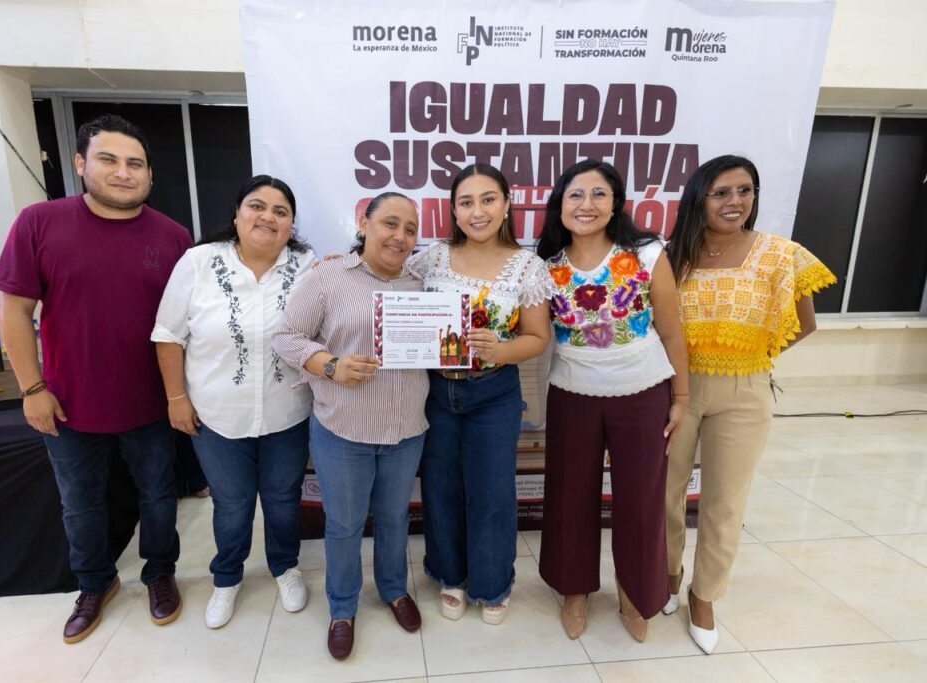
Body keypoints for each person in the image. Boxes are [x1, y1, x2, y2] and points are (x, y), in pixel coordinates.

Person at [0, 114, 191, 643]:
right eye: (108, 160)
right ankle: (94, 583)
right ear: (81, 164)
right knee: (80, 503)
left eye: (135, 163)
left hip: (150, 403)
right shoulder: (39, 222)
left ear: (149, 173)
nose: (122, 173)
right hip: (68, 403)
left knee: (158, 497)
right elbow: (14, 312)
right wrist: (32, 389)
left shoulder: (174, 238)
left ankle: (159, 574)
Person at [663, 155, 836, 654]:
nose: (734, 201)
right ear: (699, 197)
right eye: (720, 192)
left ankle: (704, 596)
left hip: (744, 393)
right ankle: (667, 578)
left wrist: (751, 354)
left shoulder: (779, 254)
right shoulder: (673, 255)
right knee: (664, 493)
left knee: (723, 502)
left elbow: (805, 323)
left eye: (744, 190)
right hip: (676, 390)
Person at [151, 175, 317, 629]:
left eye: (281, 211)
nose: (268, 217)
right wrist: (175, 399)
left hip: (289, 411)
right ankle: (227, 577)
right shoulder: (199, 262)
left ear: (291, 224)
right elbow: (168, 335)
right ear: (236, 215)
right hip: (217, 416)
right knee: (232, 502)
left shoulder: (308, 266)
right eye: (257, 206)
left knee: (283, 499)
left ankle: (285, 567)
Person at [535, 160, 689, 641]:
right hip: (572, 393)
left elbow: (670, 327)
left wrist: (680, 394)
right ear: (560, 204)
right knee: (569, 493)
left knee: (642, 499)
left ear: (615, 202)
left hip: (643, 393)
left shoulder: (645, 253)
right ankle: (574, 590)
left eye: (598, 194)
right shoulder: (544, 265)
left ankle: (635, 592)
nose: (587, 204)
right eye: (576, 195)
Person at [272, 192, 428, 660]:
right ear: (364, 222)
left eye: (411, 229)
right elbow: (285, 335)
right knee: (343, 523)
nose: (400, 237)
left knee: (396, 516)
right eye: (390, 224)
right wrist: (329, 364)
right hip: (344, 429)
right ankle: (343, 607)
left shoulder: (422, 284)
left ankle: (394, 589)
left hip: (406, 428)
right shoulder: (329, 277)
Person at [410, 163, 552, 625]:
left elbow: (537, 336)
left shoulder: (526, 266)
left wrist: (504, 348)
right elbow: (385, 283)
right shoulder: (431, 258)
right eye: (466, 202)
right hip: (435, 392)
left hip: (493, 394)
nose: (477, 211)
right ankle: (450, 576)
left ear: (506, 204)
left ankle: (493, 584)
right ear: (453, 210)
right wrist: (345, 262)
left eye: (488, 199)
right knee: (441, 487)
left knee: (492, 493)